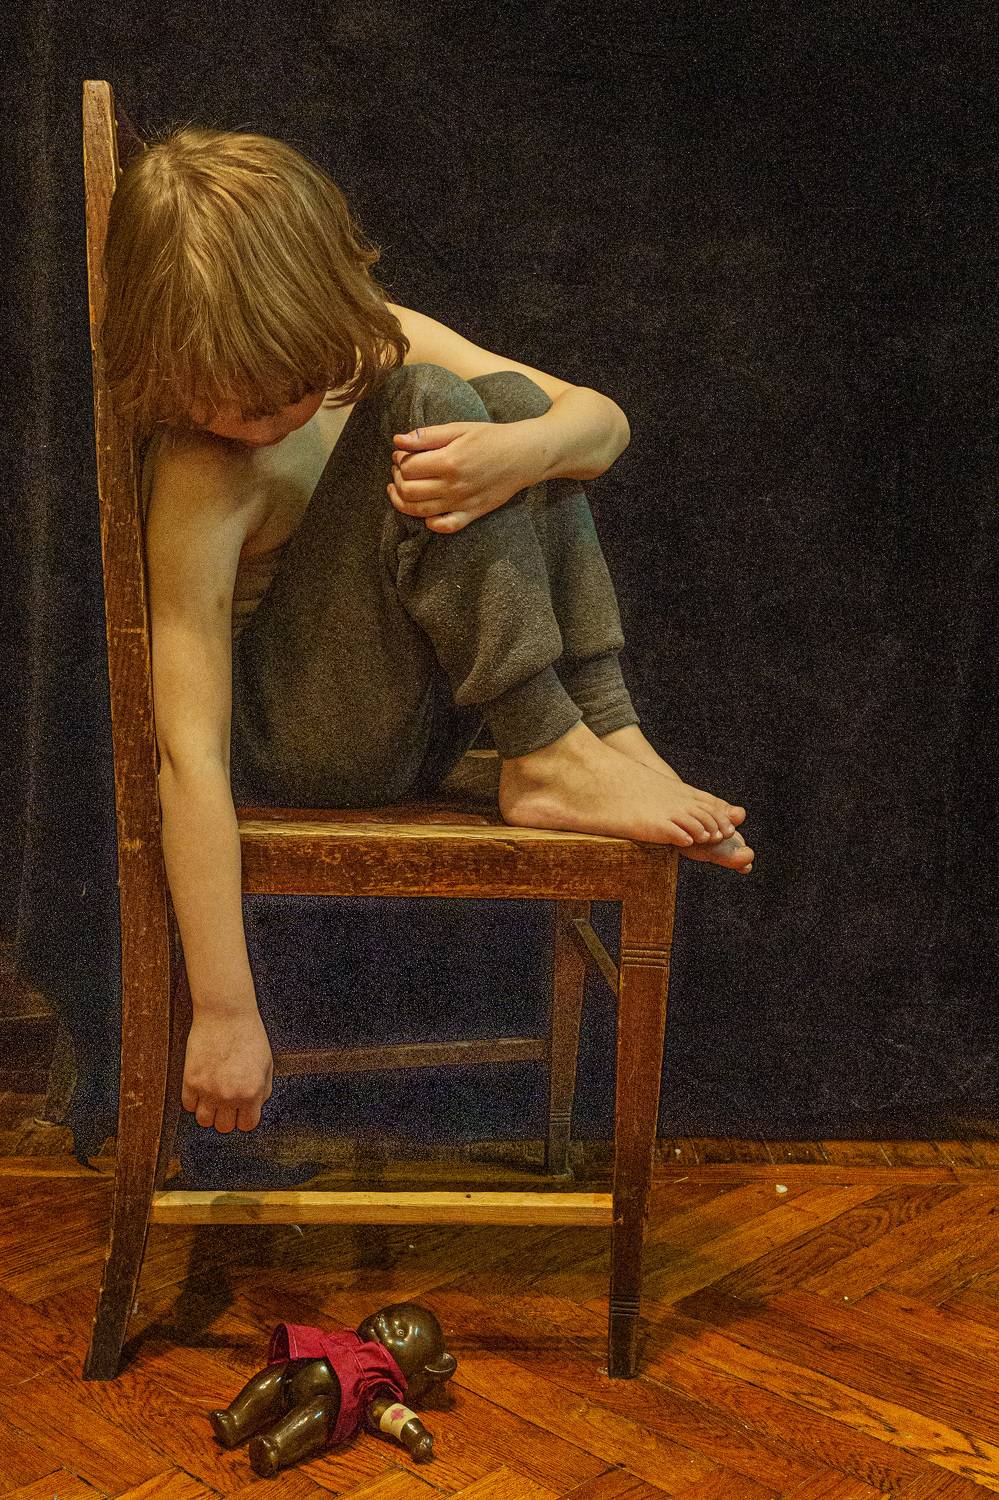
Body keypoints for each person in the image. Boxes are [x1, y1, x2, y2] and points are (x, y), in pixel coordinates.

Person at [100, 124, 755, 1137]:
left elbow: (600, 422)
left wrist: (526, 450)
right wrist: (225, 1010)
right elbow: (186, 755)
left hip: (414, 724)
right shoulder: (201, 473)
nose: (268, 420)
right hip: (303, 749)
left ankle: (603, 735)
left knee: (510, 407)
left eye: (291, 388)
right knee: (432, 402)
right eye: (231, 402)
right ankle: (549, 754)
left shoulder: (368, 343)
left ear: (330, 315)